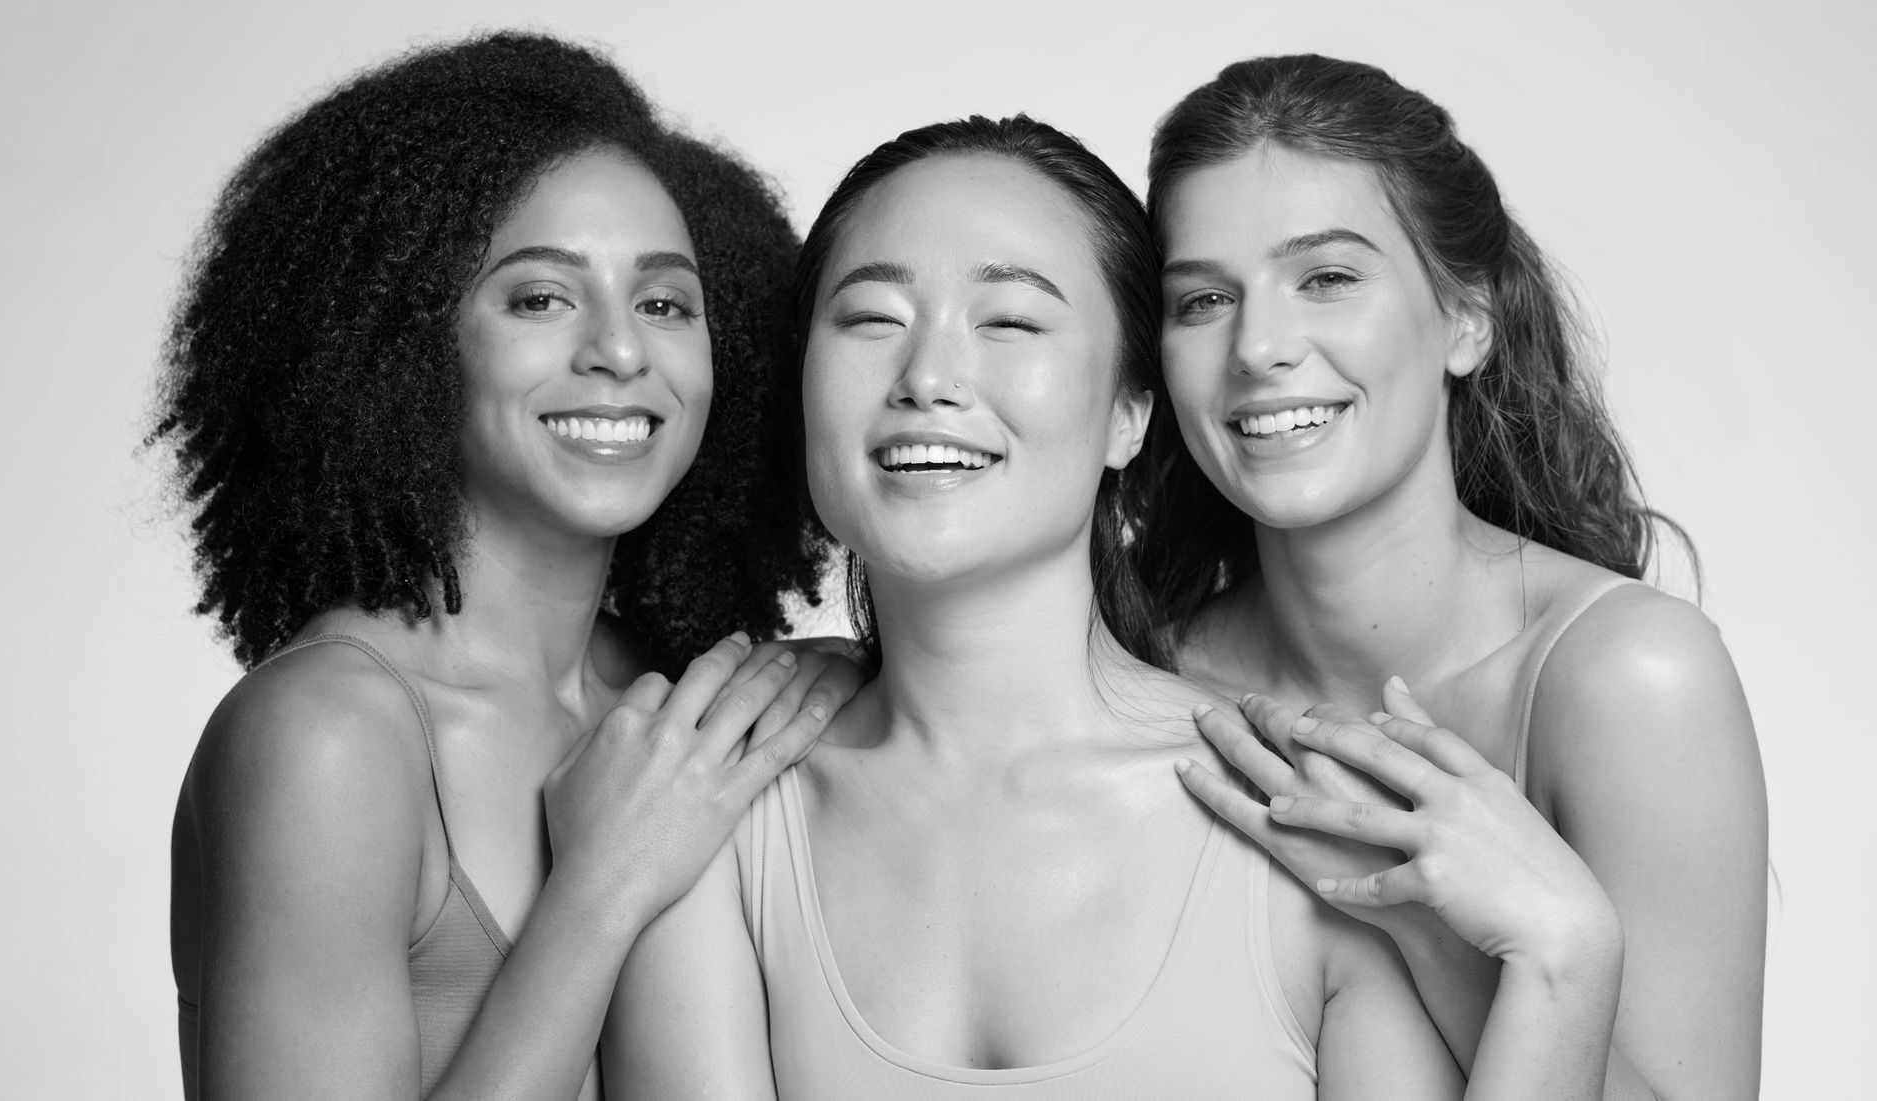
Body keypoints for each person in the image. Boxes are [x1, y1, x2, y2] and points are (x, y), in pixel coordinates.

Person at [605, 114, 1626, 1099]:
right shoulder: (703, 805)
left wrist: (1563, 955)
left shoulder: (1313, 823)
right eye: (872, 318)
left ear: (1129, 416)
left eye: (1009, 321)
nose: (928, 377)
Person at [156, 32, 859, 1100]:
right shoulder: (329, 740)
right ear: (400, 341)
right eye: (540, 298)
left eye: (666, 303)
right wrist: (603, 885)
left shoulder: (670, 697)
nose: (622, 352)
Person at [1144, 55, 1768, 1100]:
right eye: (1203, 299)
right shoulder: (1140, 680)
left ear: (1467, 318)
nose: (1259, 347)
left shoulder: (1629, 679)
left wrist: (1437, 934)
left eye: (1329, 278)